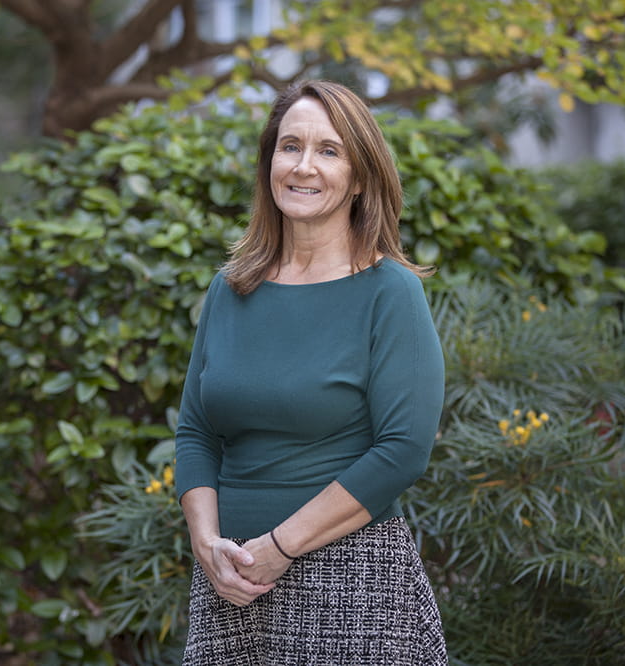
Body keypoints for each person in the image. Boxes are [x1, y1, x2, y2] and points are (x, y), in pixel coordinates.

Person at [174, 79, 448, 665]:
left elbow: (403, 450)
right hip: (229, 584)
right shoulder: (231, 289)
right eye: (289, 145)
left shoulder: (390, 292)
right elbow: (196, 430)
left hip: (351, 584)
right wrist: (205, 542)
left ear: (360, 174)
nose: (304, 166)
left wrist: (281, 546)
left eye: (329, 150)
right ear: (269, 160)